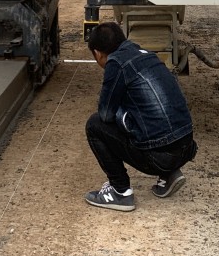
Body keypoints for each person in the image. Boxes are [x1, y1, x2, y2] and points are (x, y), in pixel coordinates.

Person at [84, 21, 197, 212]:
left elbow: (106, 114)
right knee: (149, 116)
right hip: (186, 148)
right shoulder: (146, 55)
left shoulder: (116, 63)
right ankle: (169, 175)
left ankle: (120, 192)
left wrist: (122, 112)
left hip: (159, 157)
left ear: (97, 53)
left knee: (94, 125)